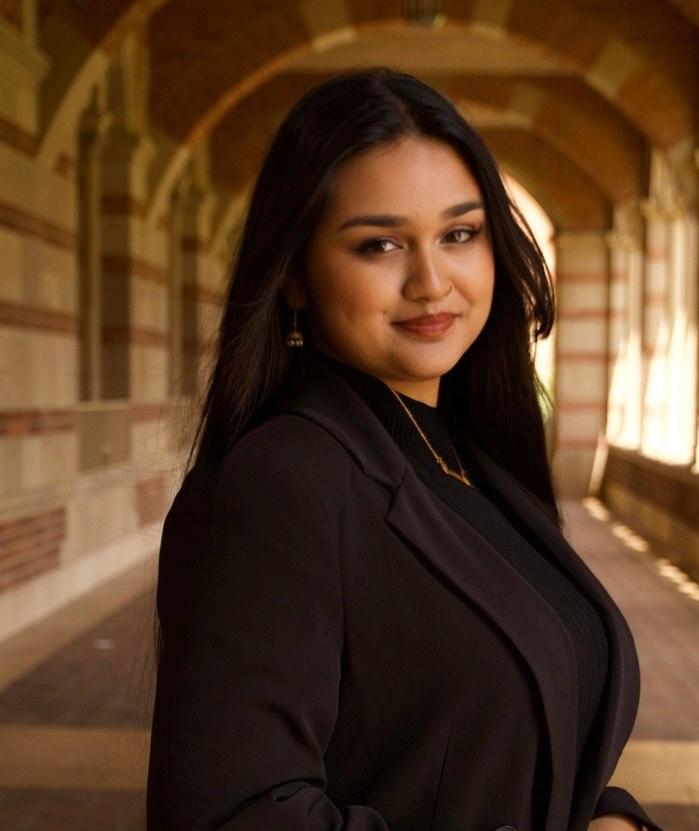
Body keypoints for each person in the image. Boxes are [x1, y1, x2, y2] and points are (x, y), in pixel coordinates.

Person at [146, 67, 662, 831]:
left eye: (459, 234)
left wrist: (609, 816)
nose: (431, 281)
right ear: (294, 273)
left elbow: (515, 735)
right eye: (379, 243)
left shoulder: (466, 457)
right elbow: (234, 814)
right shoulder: (281, 481)